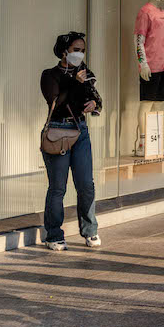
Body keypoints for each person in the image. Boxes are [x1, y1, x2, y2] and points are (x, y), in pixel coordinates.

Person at [39, 31, 103, 251]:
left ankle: (89, 229)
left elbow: (95, 96)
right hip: (59, 132)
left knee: (86, 184)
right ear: (64, 51)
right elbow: (56, 102)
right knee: (58, 187)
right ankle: (54, 234)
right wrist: (75, 83)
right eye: (76, 50)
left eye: (83, 50)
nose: (80, 54)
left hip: (80, 131)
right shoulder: (50, 75)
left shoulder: (85, 72)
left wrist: (95, 104)